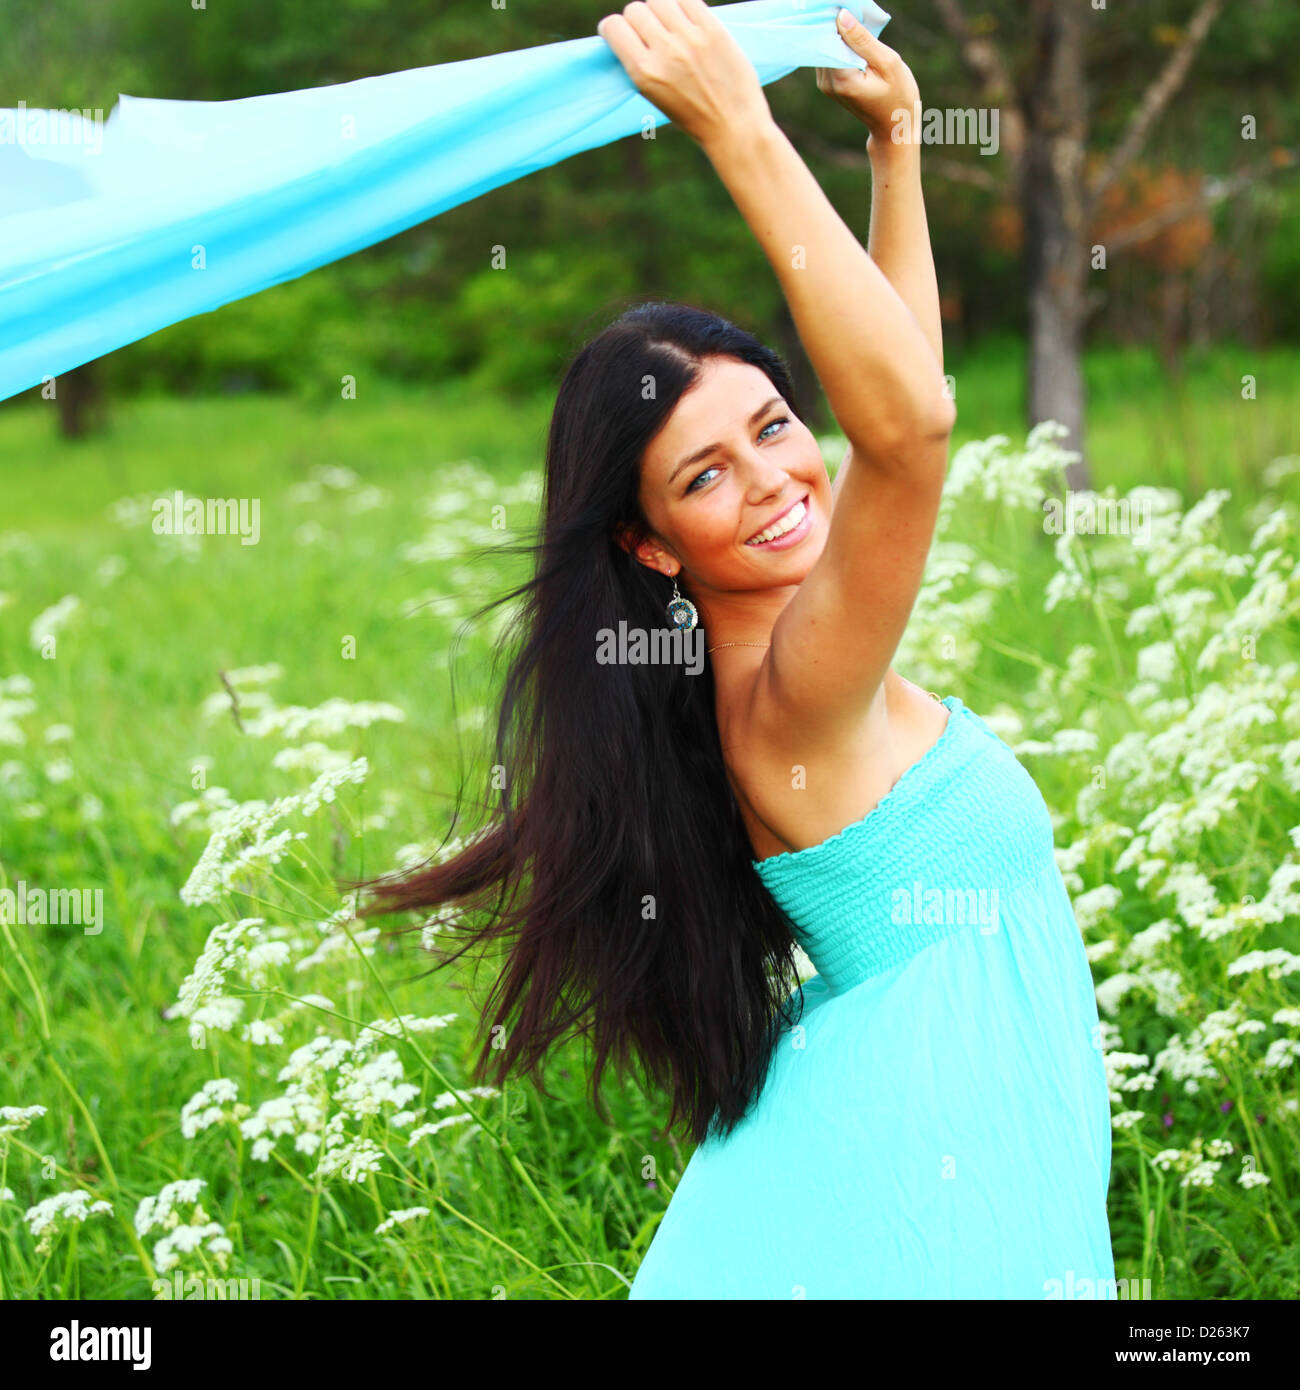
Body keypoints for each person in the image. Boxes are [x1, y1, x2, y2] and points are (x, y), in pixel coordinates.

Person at [360, 0, 1116, 1298]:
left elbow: (903, 390)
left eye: (773, 425)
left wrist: (896, 156)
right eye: (706, 474)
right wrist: (738, 126)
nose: (775, 481)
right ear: (651, 543)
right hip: (934, 1188)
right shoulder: (794, 691)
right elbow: (911, 434)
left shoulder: (801, 639)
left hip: (949, 1147)